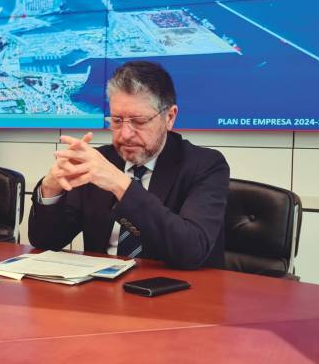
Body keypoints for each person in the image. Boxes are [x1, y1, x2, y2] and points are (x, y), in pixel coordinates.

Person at [28, 61, 229, 269]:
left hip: (176, 293)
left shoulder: (205, 165)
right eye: (116, 121)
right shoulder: (100, 161)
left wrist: (120, 184)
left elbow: (191, 250)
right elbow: (47, 242)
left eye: (139, 121)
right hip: (101, 293)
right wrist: (51, 188)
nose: (125, 134)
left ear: (169, 117)